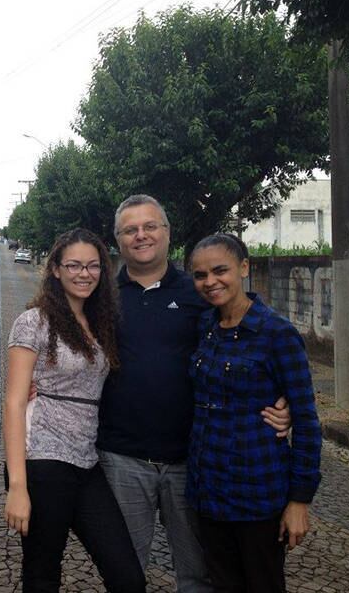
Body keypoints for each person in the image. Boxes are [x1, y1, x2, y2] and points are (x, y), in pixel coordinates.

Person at [97, 195, 291, 592]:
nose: (141, 235)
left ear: (167, 233)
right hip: (122, 456)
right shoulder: (101, 296)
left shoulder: (199, 292)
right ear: (117, 240)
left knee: (198, 575)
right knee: (124, 572)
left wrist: (276, 401)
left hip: (194, 461)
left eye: (150, 226)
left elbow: (246, 342)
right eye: (130, 229)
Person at [3, 228, 146, 593]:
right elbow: (15, 402)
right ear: (55, 269)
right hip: (43, 461)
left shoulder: (100, 323)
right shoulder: (34, 322)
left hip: (87, 461)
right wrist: (17, 486)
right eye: (75, 265)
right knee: (42, 574)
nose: (85, 274)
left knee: (127, 576)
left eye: (94, 266)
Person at [186, 233, 322, 592]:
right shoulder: (206, 328)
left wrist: (299, 501)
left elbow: (307, 421)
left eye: (220, 270)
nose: (210, 282)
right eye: (200, 275)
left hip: (258, 495)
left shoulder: (277, 334)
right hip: (208, 492)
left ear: (243, 268)